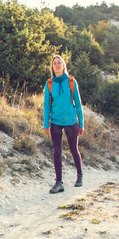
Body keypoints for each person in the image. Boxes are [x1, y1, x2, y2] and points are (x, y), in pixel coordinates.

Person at [43, 54, 83, 194]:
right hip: (55, 122)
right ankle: (59, 183)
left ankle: (80, 176)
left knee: (74, 150)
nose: (57, 65)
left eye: (59, 62)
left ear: (63, 65)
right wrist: (45, 123)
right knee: (57, 152)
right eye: (55, 63)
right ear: (52, 67)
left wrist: (81, 123)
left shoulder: (71, 81)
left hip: (71, 121)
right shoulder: (49, 83)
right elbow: (47, 105)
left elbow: (78, 103)